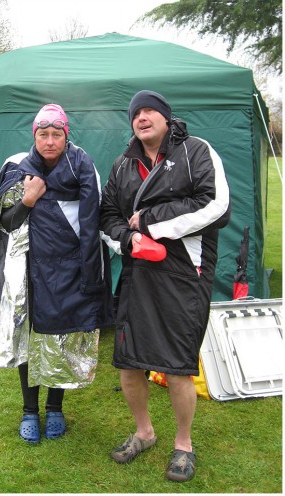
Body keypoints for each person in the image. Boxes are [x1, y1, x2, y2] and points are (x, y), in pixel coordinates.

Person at [100, 90, 230, 481]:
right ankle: (144, 432)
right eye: (136, 113)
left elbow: (216, 205)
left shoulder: (196, 151)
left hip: (184, 271)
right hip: (138, 269)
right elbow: (107, 215)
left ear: (166, 118)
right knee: (128, 363)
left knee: (176, 368)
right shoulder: (123, 164)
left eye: (150, 111)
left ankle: (184, 445)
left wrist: (151, 221)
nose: (142, 117)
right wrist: (128, 239)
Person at [0, 103, 113, 444]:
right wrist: (28, 199)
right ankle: (30, 410)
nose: (50, 141)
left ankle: (55, 407)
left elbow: (92, 223)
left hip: (70, 266)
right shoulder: (17, 167)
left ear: (66, 136)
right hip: (27, 268)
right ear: (35, 136)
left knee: (62, 336)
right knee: (28, 337)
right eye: (44, 134)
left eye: (57, 134)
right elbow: (4, 221)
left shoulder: (83, 167)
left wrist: (91, 277)